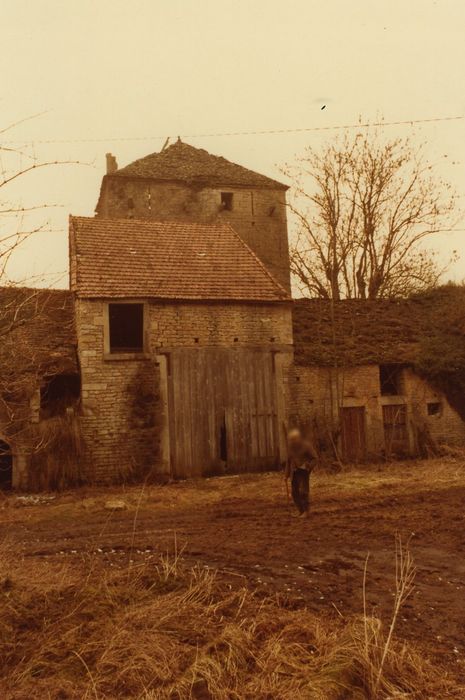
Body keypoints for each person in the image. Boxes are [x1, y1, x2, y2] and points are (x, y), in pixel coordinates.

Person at [284, 428, 317, 517]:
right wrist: (286, 475)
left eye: (294, 439)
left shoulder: (306, 446)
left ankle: (306, 511)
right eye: (291, 440)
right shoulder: (290, 447)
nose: (292, 441)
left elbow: (314, 458)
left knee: (303, 492)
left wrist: (308, 466)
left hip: (303, 472)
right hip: (294, 473)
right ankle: (301, 511)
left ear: (298, 438)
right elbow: (288, 461)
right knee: (295, 493)